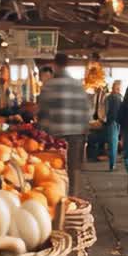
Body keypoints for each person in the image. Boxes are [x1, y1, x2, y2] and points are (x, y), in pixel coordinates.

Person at [37, 54, 89, 193]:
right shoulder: (78, 85)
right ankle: (73, 197)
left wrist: (42, 131)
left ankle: (58, 197)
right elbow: (86, 112)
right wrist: (85, 135)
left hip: (56, 136)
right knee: (73, 170)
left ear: (55, 65)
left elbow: (42, 112)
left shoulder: (49, 86)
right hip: (76, 135)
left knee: (55, 169)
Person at [103, 81, 124, 171]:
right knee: (114, 144)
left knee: (113, 144)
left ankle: (112, 164)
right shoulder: (120, 97)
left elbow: (105, 111)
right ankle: (112, 164)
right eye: (119, 87)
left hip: (112, 122)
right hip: (118, 122)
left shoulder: (108, 98)